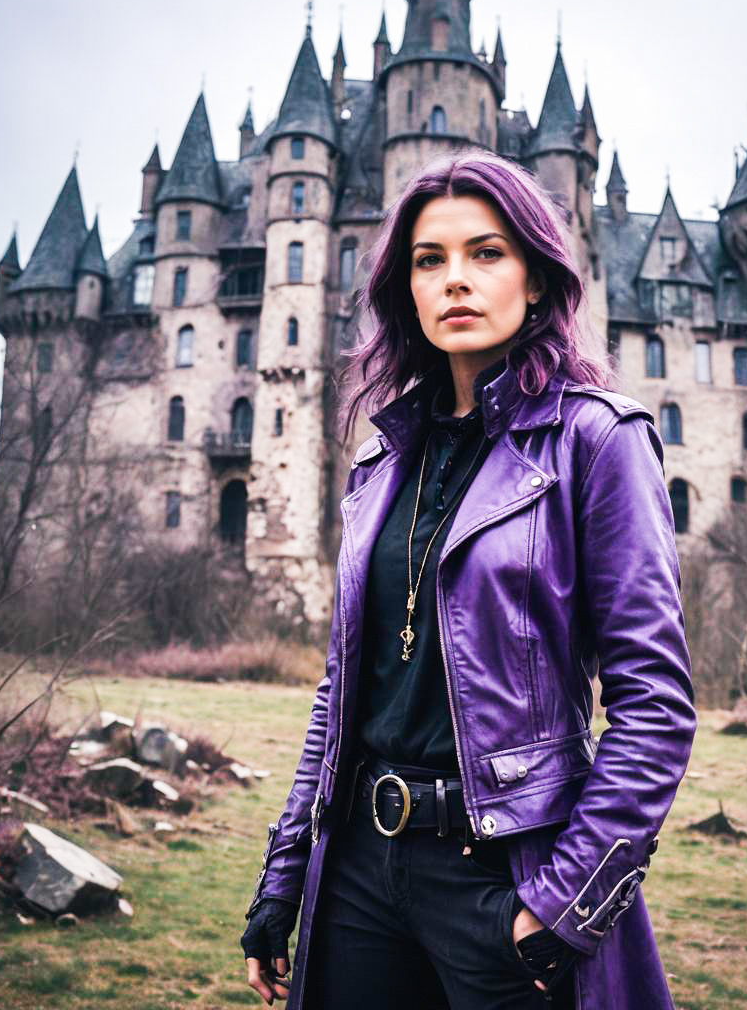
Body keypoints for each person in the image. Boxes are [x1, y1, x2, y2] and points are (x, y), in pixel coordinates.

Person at [241, 150, 696, 1010]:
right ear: (403, 289)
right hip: (361, 879)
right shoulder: (380, 462)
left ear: (536, 276)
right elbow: (341, 696)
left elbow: (655, 709)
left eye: (486, 253)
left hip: (504, 874)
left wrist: (557, 910)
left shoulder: (596, 442)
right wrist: (285, 876)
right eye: (429, 259)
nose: (456, 279)